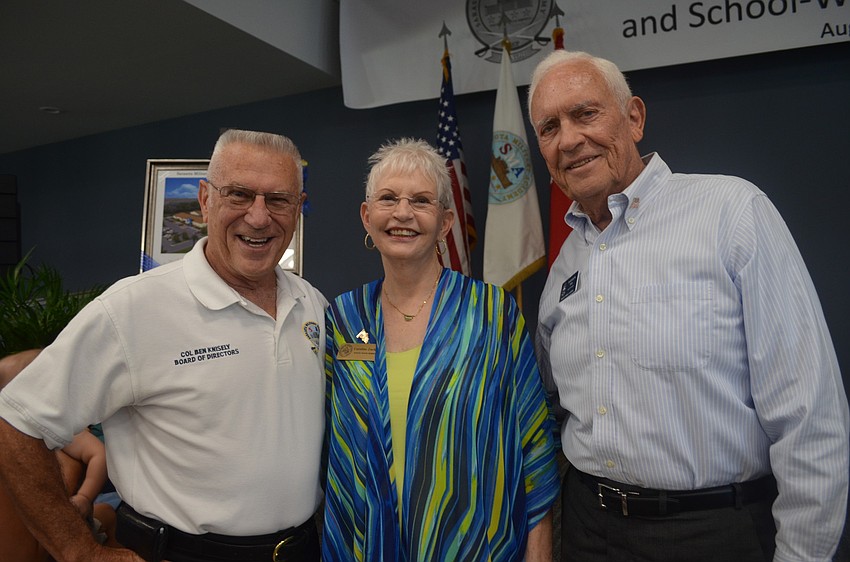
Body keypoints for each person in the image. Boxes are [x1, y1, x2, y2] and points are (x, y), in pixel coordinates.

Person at [529, 49, 849, 561]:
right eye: (549, 127)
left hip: (714, 533)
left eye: (586, 114)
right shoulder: (565, 265)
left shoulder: (730, 213)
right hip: (589, 532)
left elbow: (810, 417)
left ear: (634, 117)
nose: (569, 139)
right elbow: (549, 407)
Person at [0, 129, 328, 562]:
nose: (259, 216)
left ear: (299, 208)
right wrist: (79, 551)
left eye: (279, 199)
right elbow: (16, 423)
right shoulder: (132, 309)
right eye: (240, 195)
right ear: (206, 199)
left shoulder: (312, 303)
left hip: (303, 550)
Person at [322, 138, 560, 562]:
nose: (402, 213)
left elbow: (535, 438)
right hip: (368, 544)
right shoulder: (344, 318)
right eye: (388, 199)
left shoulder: (491, 313)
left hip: (472, 545)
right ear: (367, 216)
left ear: (446, 221)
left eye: (421, 200)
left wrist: (539, 549)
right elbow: (330, 442)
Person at [0, 349, 117, 562]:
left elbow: (98, 454)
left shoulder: (54, 428)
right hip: (52, 537)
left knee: (108, 512)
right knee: (108, 511)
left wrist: (84, 496)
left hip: (74, 526)